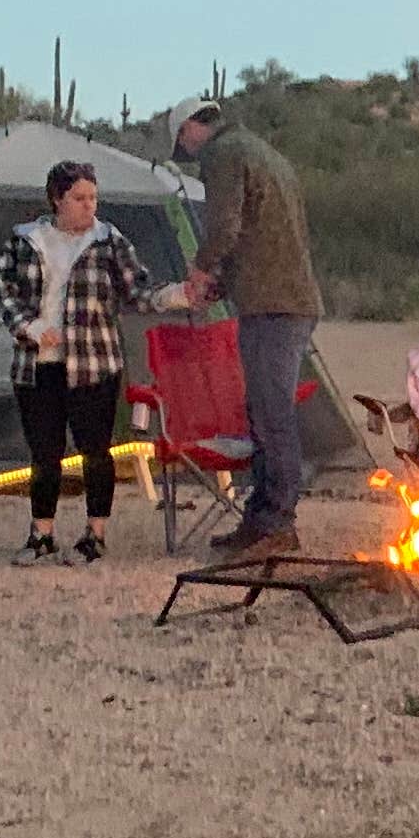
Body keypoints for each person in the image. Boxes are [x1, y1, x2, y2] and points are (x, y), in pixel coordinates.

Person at [161, 99, 321, 558]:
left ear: (190, 129)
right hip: (284, 298)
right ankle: (260, 518)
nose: (190, 155)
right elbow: (261, 234)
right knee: (264, 412)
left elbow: (226, 225)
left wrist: (200, 269)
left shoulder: (224, 153)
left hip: (274, 305)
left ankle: (278, 521)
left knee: (271, 415)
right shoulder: (263, 152)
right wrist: (224, 283)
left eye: (184, 146)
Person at [0, 159, 147, 563]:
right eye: (79, 198)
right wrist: (29, 327)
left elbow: (137, 288)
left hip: (94, 361)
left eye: (93, 197)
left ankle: (95, 533)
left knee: (96, 449)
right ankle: (41, 533)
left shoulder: (107, 240)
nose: (89, 205)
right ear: (57, 199)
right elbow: (5, 291)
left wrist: (179, 295)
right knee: (45, 452)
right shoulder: (26, 239)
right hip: (38, 363)